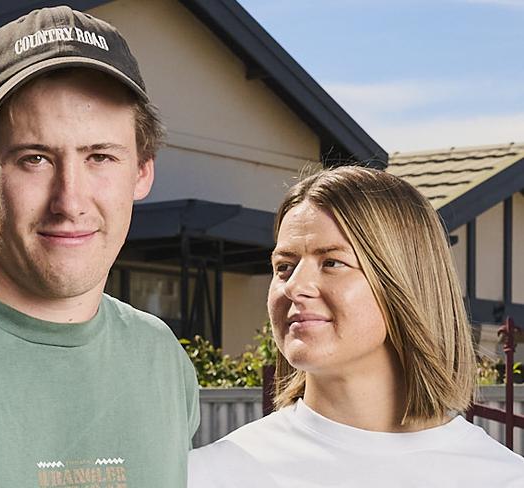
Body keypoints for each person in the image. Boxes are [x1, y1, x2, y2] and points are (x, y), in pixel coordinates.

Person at [0, 6, 199, 487]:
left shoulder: (162, 359)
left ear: (142, 171)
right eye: (35, 158)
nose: (70, 200)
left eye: (101, 157)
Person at [189, 166, 524, 487]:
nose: (294, 286)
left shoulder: (502, 478)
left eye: (332, 262)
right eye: (284, 266)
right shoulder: (208, 475)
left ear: (404, 281)